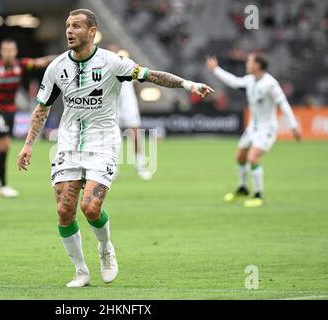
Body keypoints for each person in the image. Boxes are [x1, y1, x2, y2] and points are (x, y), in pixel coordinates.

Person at [17, 9, 213, 288]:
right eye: (67, 26)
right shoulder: (57, 67)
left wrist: (187, 84)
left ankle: (106, 249)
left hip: (103, 143)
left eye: (76, 26)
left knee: (91, 207)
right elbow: (42, 108)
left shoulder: (113, 63)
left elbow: (151, 75)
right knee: (64, 210)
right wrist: (28, 145)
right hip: (69, 143)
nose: (69, 31)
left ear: (92, 31)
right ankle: (81, 271)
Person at [206, 54, 301, 208]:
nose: (247, 64)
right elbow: (234, 81)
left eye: (250, 62)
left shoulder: (270, 84)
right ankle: (243, 188)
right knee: (240, 156)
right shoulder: (250, 80)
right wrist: (215, 69)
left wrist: (294, 126)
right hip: (252, 128)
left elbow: (283, 104)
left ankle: (258, 195)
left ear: (258, 65)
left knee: (253, 158)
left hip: (267, 129)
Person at [0, 39, 56, 198]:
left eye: (11, 50)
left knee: (3, 148)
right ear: (1, 51)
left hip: (11, 110)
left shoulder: (21, 65)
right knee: (4, 145)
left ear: (15, 52)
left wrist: (66, 56)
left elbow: (41, 62)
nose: (8, 53)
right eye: (5, 50)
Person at [108, 44, 152, 180]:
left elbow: (138, 81)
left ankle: (141, 167)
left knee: (135, 135)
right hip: (112, 106)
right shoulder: (104, 68)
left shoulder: (127, 65)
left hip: (128, 105)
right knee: (112, 138)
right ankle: (113, 168)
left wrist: (138, 101)